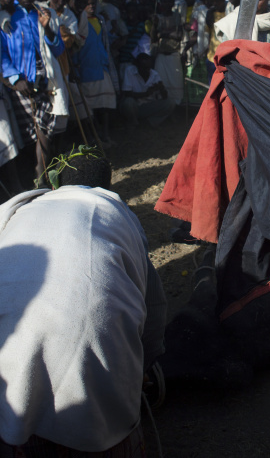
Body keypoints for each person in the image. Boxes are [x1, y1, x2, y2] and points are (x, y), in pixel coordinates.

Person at [0, 147, 166, 456]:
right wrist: (147, 363)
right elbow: (153, 310)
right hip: (95, 374)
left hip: (10, 363)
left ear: (54, 185)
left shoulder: (16, 214)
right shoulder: (117, 216)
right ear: (108, 187)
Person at [1, 0, 68, 179]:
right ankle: (42, 175)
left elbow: (57, 50)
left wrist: (47, 29)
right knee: (34, 132)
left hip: (46, 79)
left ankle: (41, 175)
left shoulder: (43, 13)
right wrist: (15, 79)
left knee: (44, 129)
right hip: (21, 83)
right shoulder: (6, 17)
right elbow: (2, 54)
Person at [71, 0, 116, 145]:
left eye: (93, 4)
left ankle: (105, 135)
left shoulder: (100, 20)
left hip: (101, 66)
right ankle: (93, 138)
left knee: (105, 106)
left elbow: (106, 40)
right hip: (85, 69)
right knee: (88, 109)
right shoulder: (76, 22)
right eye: (87, 4)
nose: (91, 7)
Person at [120, 52, 174, 127]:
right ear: (137, 66)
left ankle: (149, 122)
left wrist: (162, 89)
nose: (147, 70)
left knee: (170, 103)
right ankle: (133, 122)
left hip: (148, 106)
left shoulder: (154, 74)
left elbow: (164, 97)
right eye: (144, 68)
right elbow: (127, 93)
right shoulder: (130, 71)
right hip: (135, 106)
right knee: (128, 102)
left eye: (148, 68)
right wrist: (146, 93)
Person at [150, 0, 184, 105]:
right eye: (165, 2)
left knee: (176, 83)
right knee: (162, 82)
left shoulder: (177, 16)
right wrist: (155, 26)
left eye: (170, 1)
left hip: (174, 54)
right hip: (161, 55)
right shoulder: (157, 18)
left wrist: (162, 34)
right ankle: (163, 108)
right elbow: (154, 39)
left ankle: (176, 108)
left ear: (173, 3)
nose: (167, 4)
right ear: (161, 3)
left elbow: (179, 35)